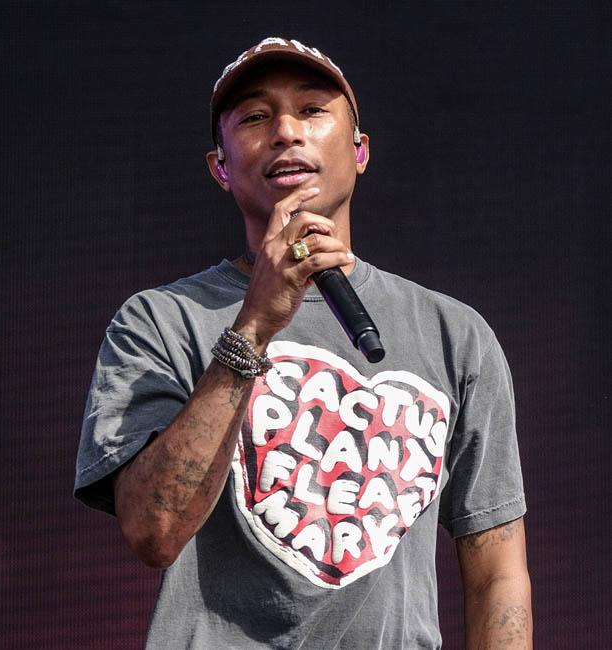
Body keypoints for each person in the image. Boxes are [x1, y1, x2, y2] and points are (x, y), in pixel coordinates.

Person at [75, 37, 532, 649]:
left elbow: (497, 568)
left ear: (360, 150)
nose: (286, 132)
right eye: (255, 118)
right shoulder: (159, 321)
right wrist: (253, 327)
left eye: (312, 110)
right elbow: (153, 531)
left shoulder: (455, 335)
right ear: (220, 166)